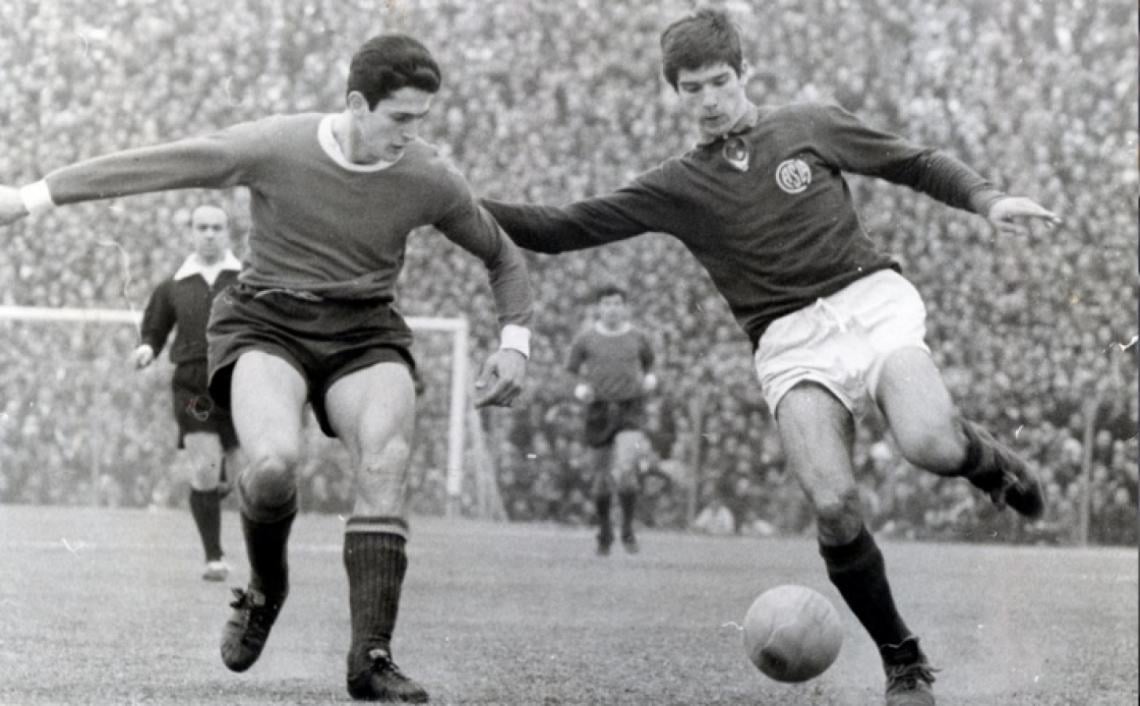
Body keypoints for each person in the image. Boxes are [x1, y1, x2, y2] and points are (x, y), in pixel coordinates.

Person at [482, 8, 1059, 705]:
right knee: (835, 505)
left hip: (870, 307)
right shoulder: (675, 185)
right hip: (788, 342)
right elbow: (562, 228)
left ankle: (988, 461)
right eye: (690, 89)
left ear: (743, 72)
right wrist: (457, 204)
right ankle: (903, 661)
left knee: (930, 442)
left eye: (719, 81)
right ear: (675, 93)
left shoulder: (806, 124)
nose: (708, 99)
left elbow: (912, 161)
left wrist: (986, 200)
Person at [0, 34, 533, 704]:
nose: (411, 135)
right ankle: (265, 589)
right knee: (273, 465)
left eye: (421, 121)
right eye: (400, 118)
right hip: (266, 322)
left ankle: (371, 657)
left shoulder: (428, 177)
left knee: (386, 461)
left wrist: (515, 339)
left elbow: (503, 256)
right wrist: (33, 196)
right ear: (356, 104)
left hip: (364, 331)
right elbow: (164, 164)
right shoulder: (277, 146)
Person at [131, 204, 243, 582]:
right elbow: (155, 329)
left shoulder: (247, 279)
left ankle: (230, 478)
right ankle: (213, 557)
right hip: (194, 385)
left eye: (216, 227)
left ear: (228, 232)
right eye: (202, 227)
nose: (209, 234)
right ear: (191, 233)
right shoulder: (174, 285)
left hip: (241, 381)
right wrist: (148, 348)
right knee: (206, 466)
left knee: (251, 476)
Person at [567, 284, 656, 555]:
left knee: (626, 469)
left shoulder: (638, 337)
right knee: (601, 479)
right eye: (607, 304)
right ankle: (605, 531)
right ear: (598, 308)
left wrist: (651, 378)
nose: (612, 309)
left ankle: (627, 529)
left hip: (630, 409)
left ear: (625, 307)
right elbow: (571, 371)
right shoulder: (586, 339)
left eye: (617, 304)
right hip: (598, 410)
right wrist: (579, 388)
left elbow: (650, 364)